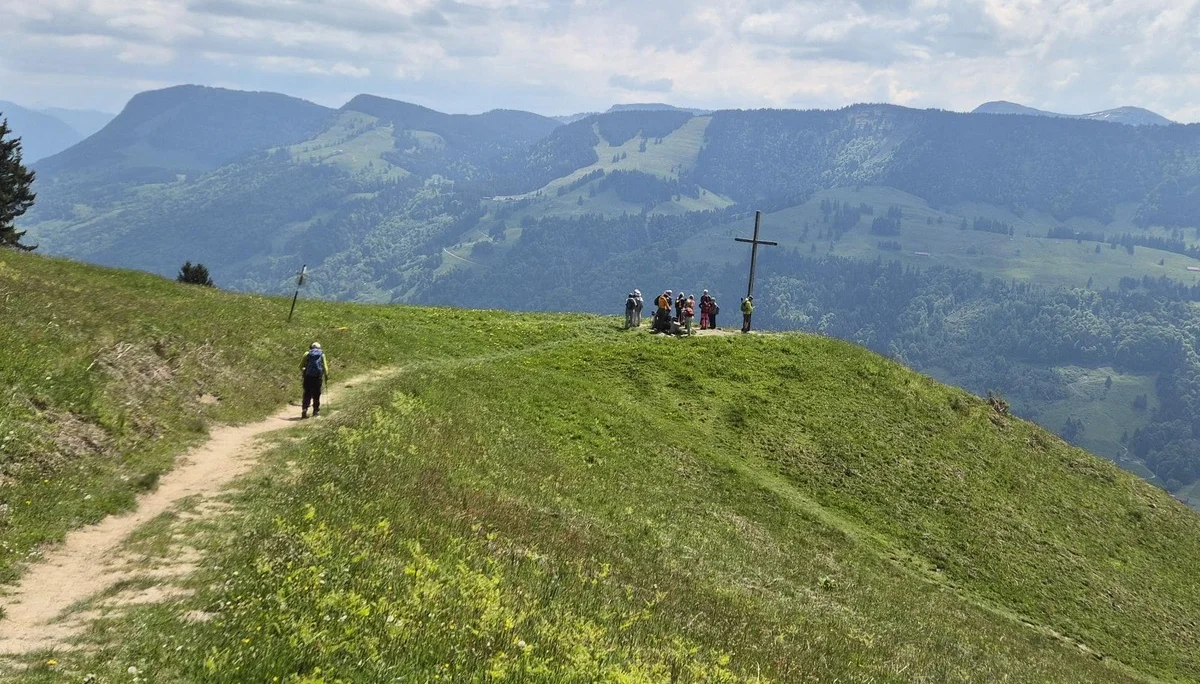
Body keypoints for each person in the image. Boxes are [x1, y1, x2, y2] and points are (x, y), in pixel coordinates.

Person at [300, 342, 330, 418]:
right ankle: (316, 411)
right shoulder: (322, 355)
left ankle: (304, 409)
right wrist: (326, 376)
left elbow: (300, 366)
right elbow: (325, 368)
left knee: (307, 393)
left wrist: (304, 370)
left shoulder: (307, 354)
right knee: (316, 394)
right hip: (317, 377)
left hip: (308, 377)